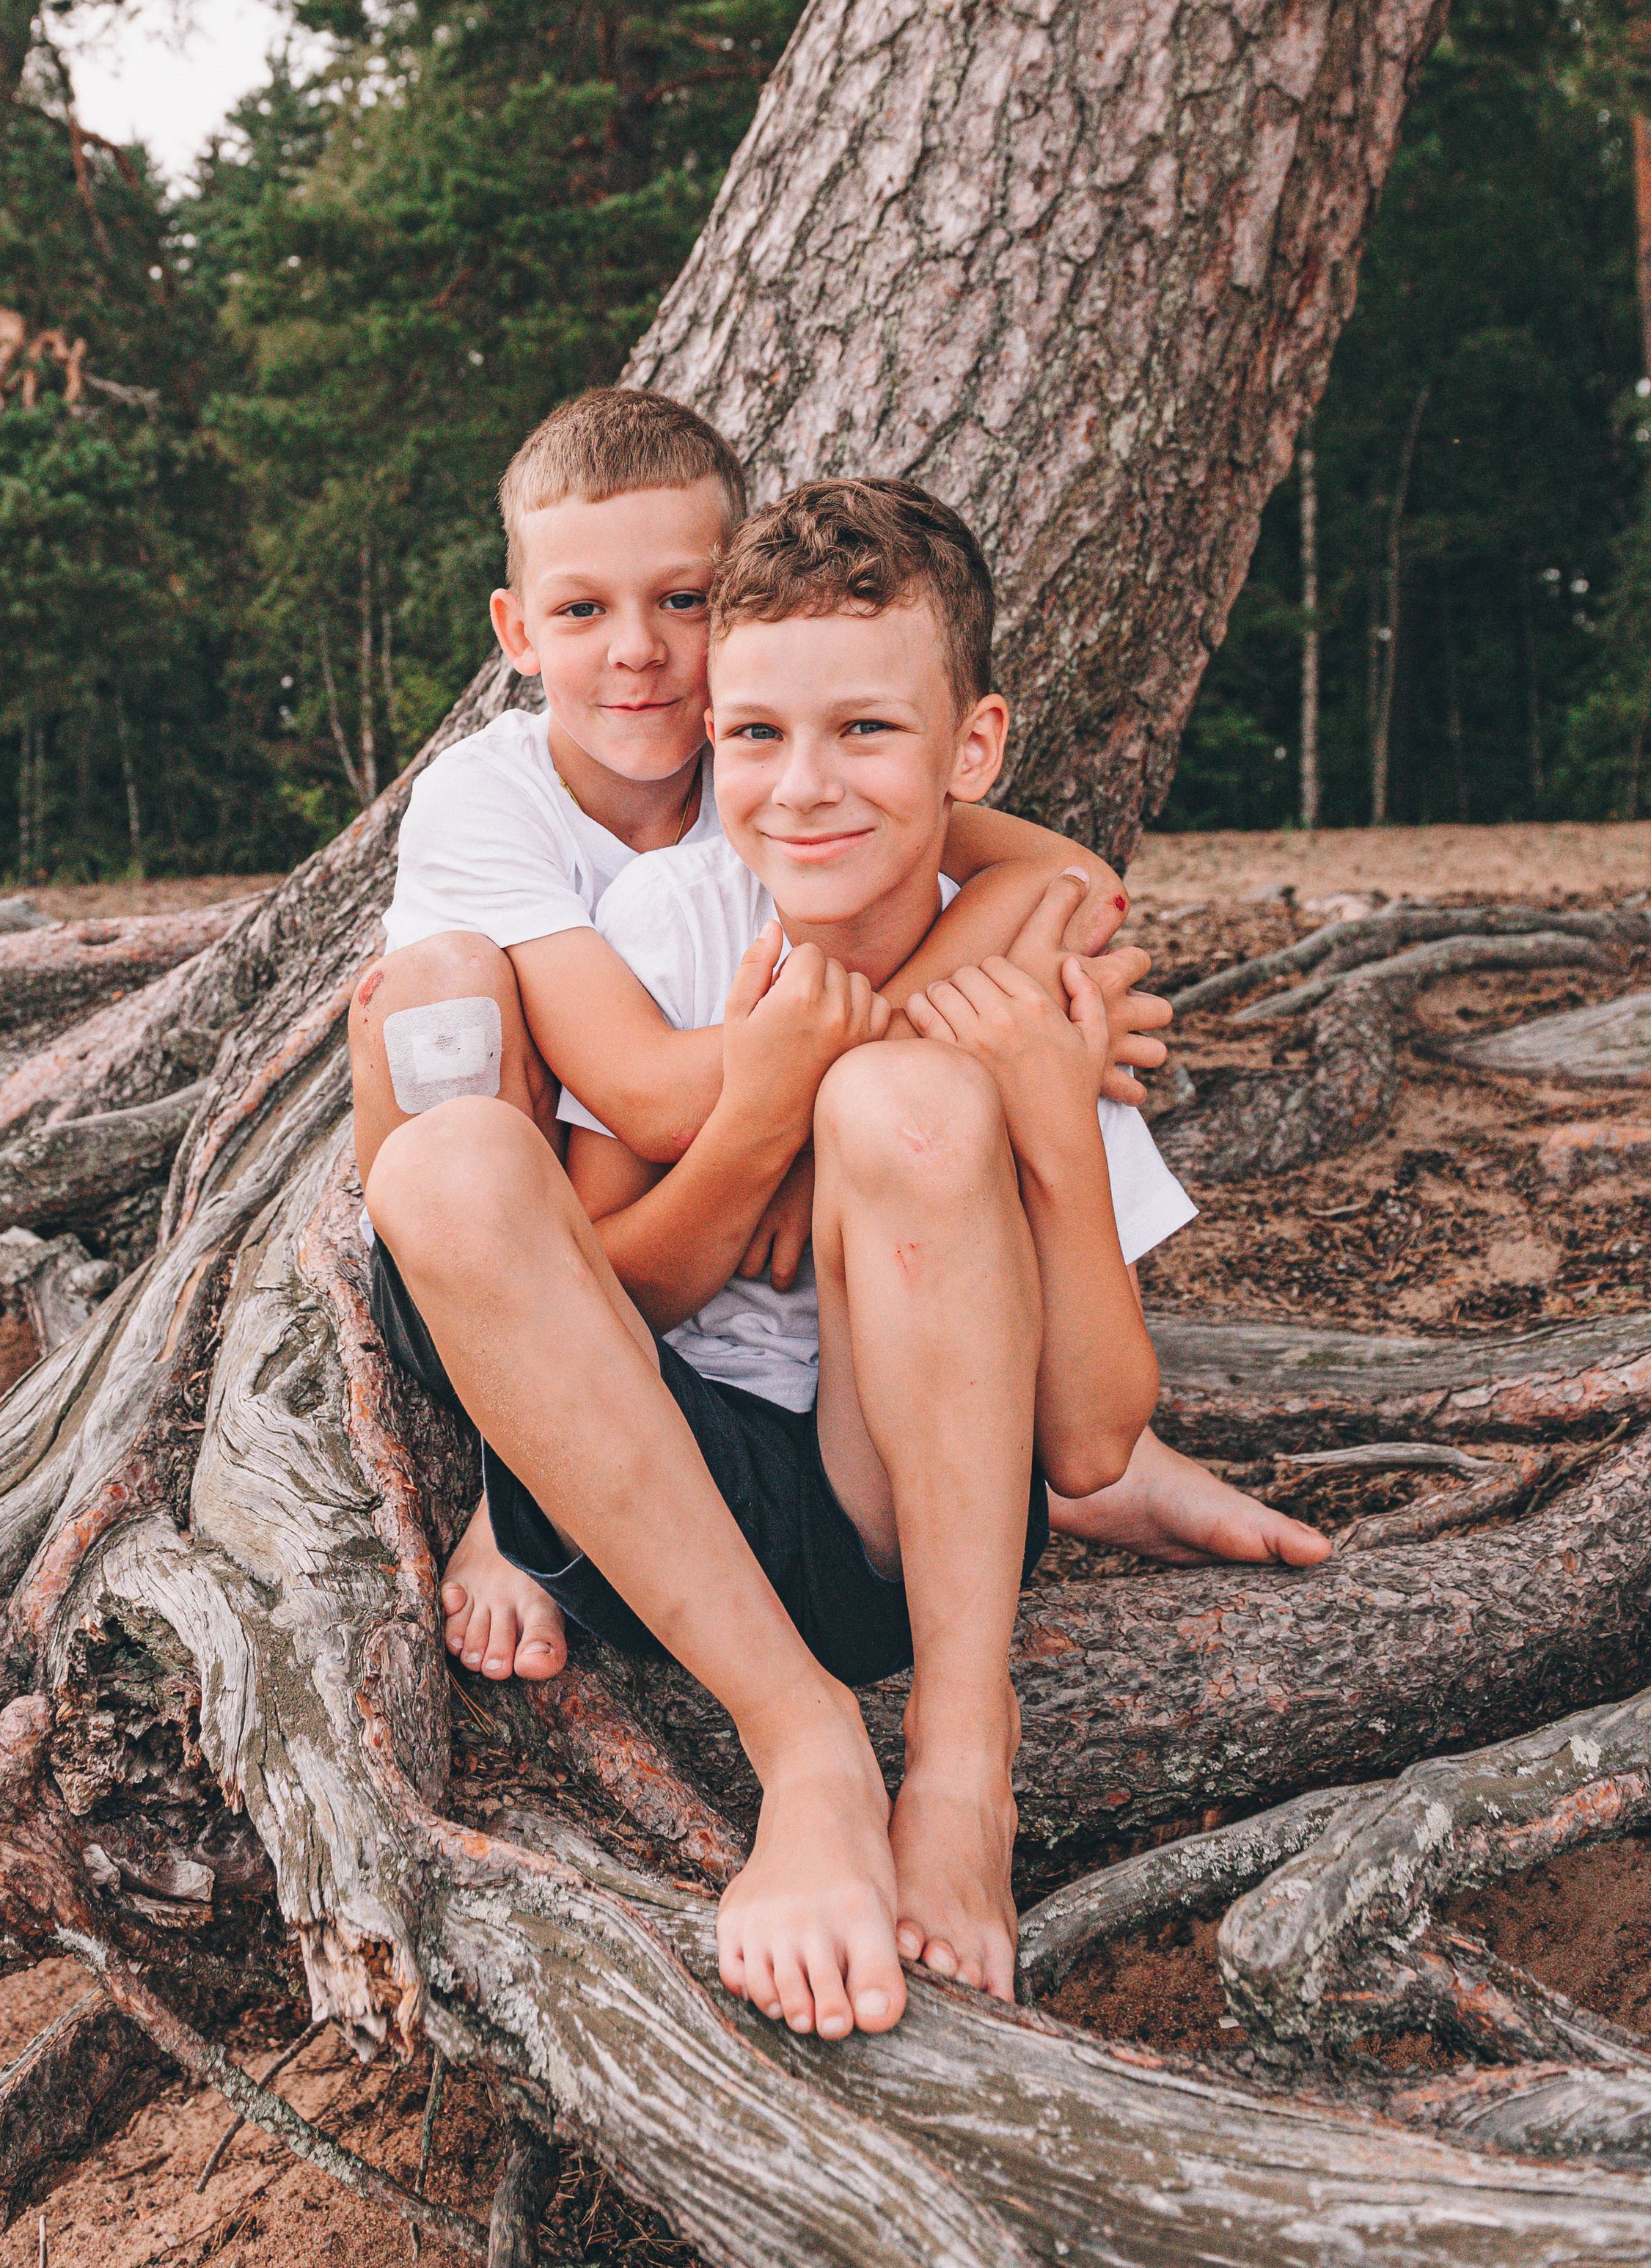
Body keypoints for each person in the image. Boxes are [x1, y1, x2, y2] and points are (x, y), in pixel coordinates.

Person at [362, 475, 1318, 2045]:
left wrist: (1052, 1126)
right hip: (650, 1506)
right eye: (753, 736)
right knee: (453, 1162)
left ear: (973, 747)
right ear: (713, 739)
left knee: (906, 1098)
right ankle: (804, 1748)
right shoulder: (668, 918)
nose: (801, 790)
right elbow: (595, 1278)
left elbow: (1083, 1434)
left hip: (894, 1531)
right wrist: (762, 1114)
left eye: (864, 732)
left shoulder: (1026, 967)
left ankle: (957, 1756)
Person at [347, 387, 1232, 1679]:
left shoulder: (778, 777)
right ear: (518, 630)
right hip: (514, 1232)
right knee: (442, 985)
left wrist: (982, 1054)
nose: (640, 650)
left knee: (930, 1162)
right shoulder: (496, 800)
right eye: (583, 609)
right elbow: (652, 1099)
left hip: (794, 1311)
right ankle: (507, 1479)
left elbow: (1070, 885)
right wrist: (799, 1113)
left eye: (685, 601)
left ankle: (1086, 1483)